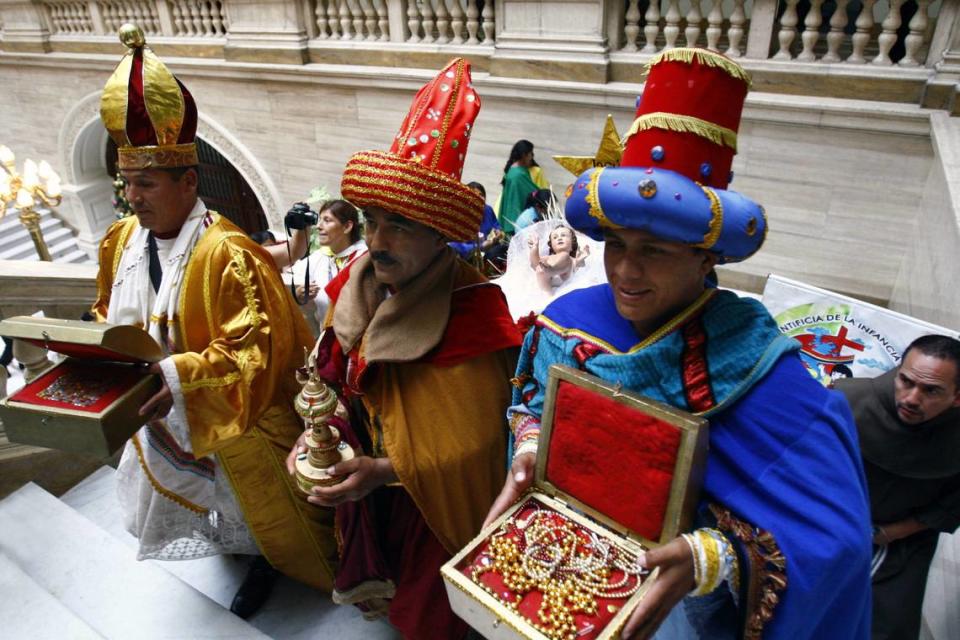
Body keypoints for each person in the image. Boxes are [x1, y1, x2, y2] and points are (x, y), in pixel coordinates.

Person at [485, 48, 872, 639]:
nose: (625, 272)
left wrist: (712, 556)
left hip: (686, 609)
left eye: (655, 251)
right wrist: (534, 446)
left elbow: (836, 540)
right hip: (566, 557)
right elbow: (533, 401)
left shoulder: (763, 370)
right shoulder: (567, 319)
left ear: (707, 257)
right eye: (616, 245)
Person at [90, 25, 337, 619]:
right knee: (212, 511)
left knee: (253, 512)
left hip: (233, 424)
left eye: (147, 183)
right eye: (127, 184)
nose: (134, 197)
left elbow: (257, 357)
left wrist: (172, 378)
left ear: (189, 181)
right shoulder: (121, 238)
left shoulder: (229, 254)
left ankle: (266, 561)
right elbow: (108, 311)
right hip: (160, 417)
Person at [285, 58, 522, 639]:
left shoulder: (476, 317)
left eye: (400, 226)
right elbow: (332, 382)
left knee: (427, 618)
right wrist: (318, 436)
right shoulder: (351, 288)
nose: (377, 241)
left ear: (439, 235)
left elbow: (479, 449)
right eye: (371, 220)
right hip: (368, 495)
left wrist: (385, 471)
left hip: (432, 514)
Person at [835, 334, 960, 640]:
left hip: (904, 538)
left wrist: (890, 534)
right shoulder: (844, 399)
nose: (911, 398)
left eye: (931, 391)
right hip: (831, 521)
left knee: (886, 627)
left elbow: (951, 505)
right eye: (906, 381)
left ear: (957, 397)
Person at [291, 199, 366, 328]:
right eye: (320, 220)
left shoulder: (364, 258)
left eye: (327, 220)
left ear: (347, 226)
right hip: (327, 340)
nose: (319, 226)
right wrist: (299, 295)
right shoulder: (319, 258)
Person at [448, 181, 506, 266]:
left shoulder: (488, 210)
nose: (479, 198)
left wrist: (498, 233)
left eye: (481, 195)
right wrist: (480, 247)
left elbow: (496, 225)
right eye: (474, 195)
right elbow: (454, 245)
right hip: (466, 258)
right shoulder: (458, 216)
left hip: (487, 254)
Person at [497, 140, 543, 235]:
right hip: (515, 218)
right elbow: (533, 192)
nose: (531, 157)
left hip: (510, 216)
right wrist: (546, 196)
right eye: (530, 154)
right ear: (524, 155)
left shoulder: (513, 170)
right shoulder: (518, 175)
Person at [527, 224, 590, 293]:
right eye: (555, 237)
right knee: (539, 268)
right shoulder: (547, 258)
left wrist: (581, 259)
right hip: (549, 288)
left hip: (566, 279)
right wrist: (535, 248)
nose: (559, 238)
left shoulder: (571, 259)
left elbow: (581, 266)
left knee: (565, 256)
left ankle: (551, 269)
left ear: (572, 244)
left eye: (563, 235)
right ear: (552, 245)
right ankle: (547, 294)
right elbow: (535, 264)